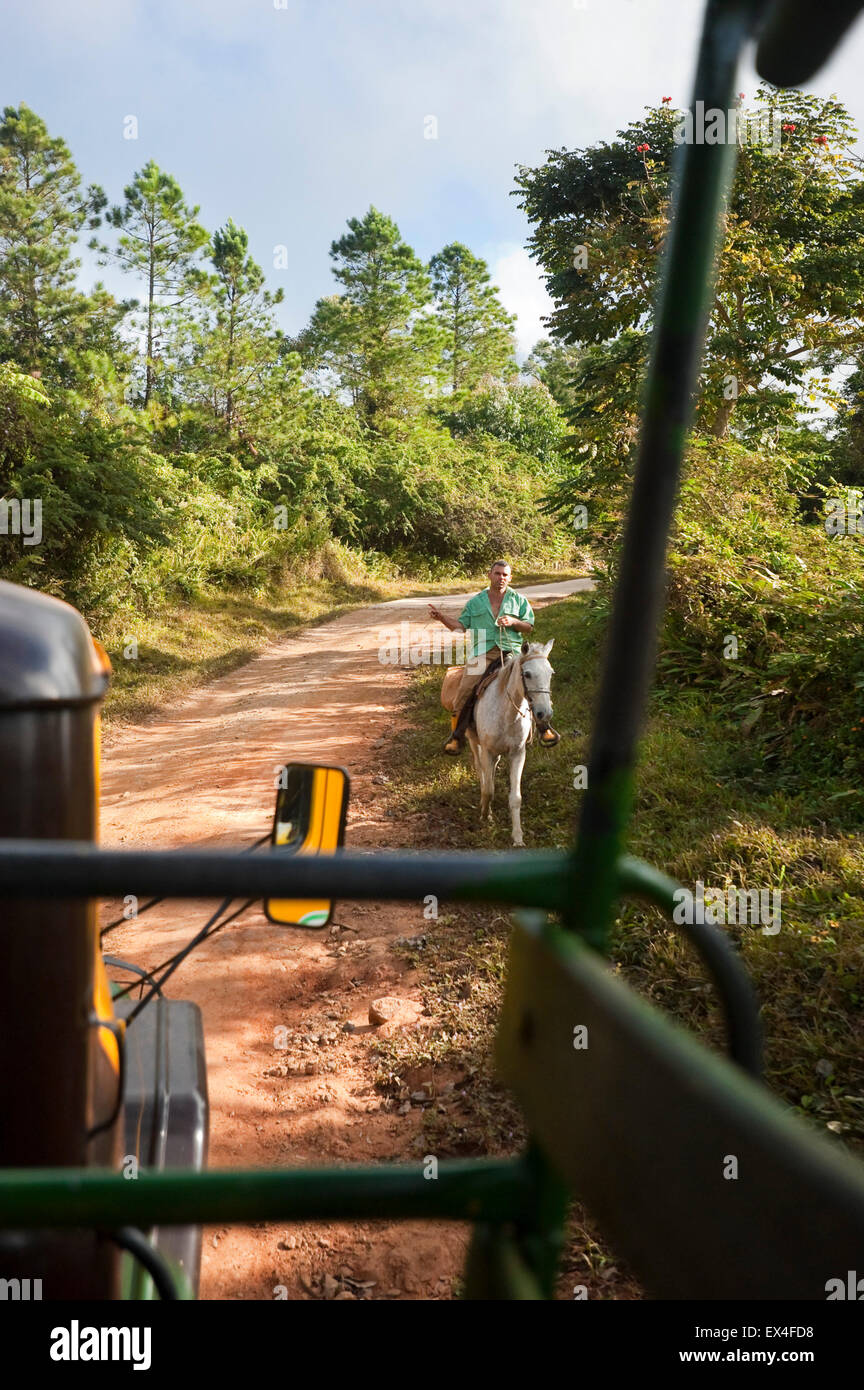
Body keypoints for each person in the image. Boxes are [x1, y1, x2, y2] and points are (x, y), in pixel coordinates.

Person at [428, 560, 558, 754]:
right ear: (489, 575)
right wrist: (442, 617)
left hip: (512, 652)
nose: (501, 578)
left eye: (505, 575)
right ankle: (457, 736)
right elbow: (461, 626)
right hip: (483, 652)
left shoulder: (519, 600)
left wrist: (514, 621)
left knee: (534, 681)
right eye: (497, 574)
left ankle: (543, 727)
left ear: (510, 578)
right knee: (464, 690)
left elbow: (528, 627)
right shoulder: (475, 602)